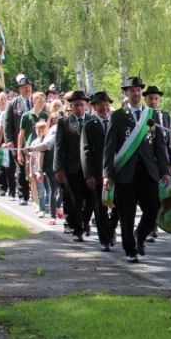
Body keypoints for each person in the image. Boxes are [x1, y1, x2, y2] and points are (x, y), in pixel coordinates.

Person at [103, 76, 171, 263]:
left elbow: (160, 145)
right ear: (126, 93)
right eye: (132, 90)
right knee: (127, 213)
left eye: (139, 90)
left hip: (148, 170)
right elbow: (109, 147)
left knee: (153, 209)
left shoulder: (151, 115)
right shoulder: (118, 116)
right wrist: (107, 174)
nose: (136, 93)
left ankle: (139, 236)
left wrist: (165, 170)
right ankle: (130, 249)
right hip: (126, 172)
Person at [82, 91, 120, 252]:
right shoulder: (89, 126)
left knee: (118, 206)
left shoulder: (117, 122)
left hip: (117, 171)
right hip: (97, 173)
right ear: (94, 107)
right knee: (100, 208)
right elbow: (85, 151)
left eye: (106, 104)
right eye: (101, 105)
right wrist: (88, 174)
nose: (104, 107)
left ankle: (111, 230)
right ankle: (104, 239)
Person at [54, 90, 93, 242]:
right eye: (76, 105)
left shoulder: (92, 120)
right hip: (72, 167)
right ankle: (77, 229)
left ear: (86, 105)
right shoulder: (64, 122)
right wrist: (58, 168)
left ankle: (85, 221)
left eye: (82, 105)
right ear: (71, 106)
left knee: (91, 200)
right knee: (74, 200)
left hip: (90, 168)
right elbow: (59, 146)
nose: (79, 108)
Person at [142, 85, 171, 243]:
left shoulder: (165, 116)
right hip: (149, 162)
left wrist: (170, 161)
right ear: (145, 100)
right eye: (150, 99)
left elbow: (167, 142)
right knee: (149, 198)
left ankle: (152, 225)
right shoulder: (143, 116)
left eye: (156, 98)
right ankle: (149, 227)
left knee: (159, 196)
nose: (153, 101)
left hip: (162, 160)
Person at [4, 75, 35, 206]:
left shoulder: (36, 101)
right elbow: (7, 124)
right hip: (20, 142)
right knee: (21, 169)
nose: (28, 89)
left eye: (29, 86)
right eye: (25, 87)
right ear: (20, 88)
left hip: (35, 141)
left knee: (35, 168)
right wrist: (9, 140)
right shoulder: (13, 104)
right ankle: (23, 195)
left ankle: (37, 195)